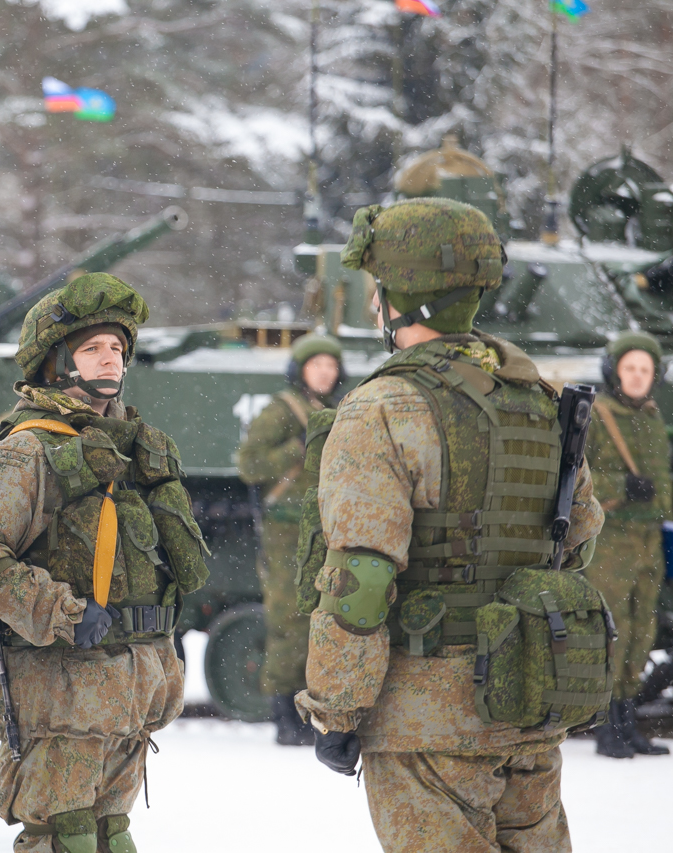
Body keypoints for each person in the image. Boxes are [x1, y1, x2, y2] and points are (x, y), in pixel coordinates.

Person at [296, 198, 606, 851]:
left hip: (426, 717)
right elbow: (578, 530)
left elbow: (362, 574)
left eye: (381, 290)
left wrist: (337, 708)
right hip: (525, 696)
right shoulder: (538, 397)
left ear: (401, 297)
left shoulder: (384, 406)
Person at [0, 273, 207, 853]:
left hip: (130, 691)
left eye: (116, 346)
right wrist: (60, 612)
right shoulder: (30, 448)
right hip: (60, 691)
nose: (109, 357)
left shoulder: (135, 445)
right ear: (55, 364)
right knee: (64, 838)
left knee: (112, 835)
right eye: (91, 348)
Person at [236, 333, 342, 745]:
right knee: (290, 620)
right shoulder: (285, 410)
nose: (325, 373)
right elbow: (250, 464)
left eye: (331, 367)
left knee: (323, 622)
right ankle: (285, 714)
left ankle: (311, 710)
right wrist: (296, 448)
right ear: (300, 370)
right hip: (287, 530)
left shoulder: (336, 410)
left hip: (326, 527)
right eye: (317, 365)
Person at [584, 331, 671, 757]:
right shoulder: (598, 415)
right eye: (629, 367)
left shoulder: (653, 418)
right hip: (611, 538)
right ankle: (603, 721)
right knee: (611, 628)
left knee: (641, 628)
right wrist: (621, 487)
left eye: (645, 369)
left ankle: (626, 717)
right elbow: (576, 480)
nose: (637, 377)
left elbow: (663, 484)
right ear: (614, 370)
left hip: (647, 538)